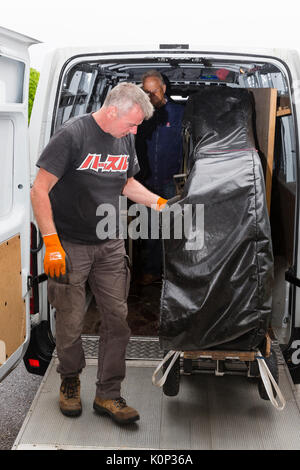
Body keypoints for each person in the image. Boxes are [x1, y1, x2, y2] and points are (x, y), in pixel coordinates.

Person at [30, 82, 167, 425]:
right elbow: (39, 190)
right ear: (111, 112)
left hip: (110, 242)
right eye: (132, 124)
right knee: (71, 320)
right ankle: (70, 380)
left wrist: (159, 203)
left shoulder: (125, 136)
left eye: (137, 125)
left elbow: (125, 181)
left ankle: (108, 393)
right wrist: (52, 243)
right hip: (70, 244)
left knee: (117, 320)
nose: (135, 130)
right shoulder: (72, 136)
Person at [135, 70, 184, 285]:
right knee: (150, 228)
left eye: (153, 91)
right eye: (145, 92)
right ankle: (152, 269)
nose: (150, 97)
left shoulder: (180, 113)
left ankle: (175, 273)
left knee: (174, 227)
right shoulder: (140, 116)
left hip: (170, 182)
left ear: (163, 89)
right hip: (146, 182)